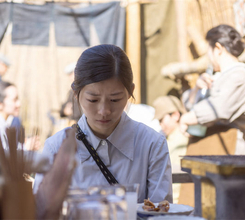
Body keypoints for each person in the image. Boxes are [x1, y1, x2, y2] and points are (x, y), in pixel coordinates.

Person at [34, 44, 173, 203]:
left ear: (130, 93)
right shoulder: (56, 148)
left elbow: (161, 212)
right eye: (93, 100)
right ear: (75, 93)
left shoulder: (152, 145)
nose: (104, 111)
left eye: (115, 99)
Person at [178, 24, 245, 207]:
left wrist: (187, 119)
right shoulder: (217, 76)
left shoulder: (238, 76)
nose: (208, 57)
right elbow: (189, 104)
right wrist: (197, 86)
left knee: (224, 206)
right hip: (202, 148)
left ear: (218, 48)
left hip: (226, 147)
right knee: (198, 205)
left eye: (209, 52)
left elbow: (217, 108)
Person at [152, 95, 188, 203]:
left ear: (175, 115)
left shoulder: (183, 138)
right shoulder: (163, 137)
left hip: (177, 200)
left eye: (161, 119)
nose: (160, 123)